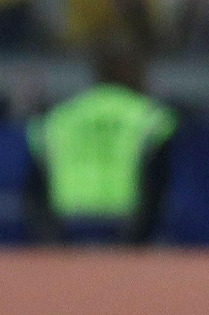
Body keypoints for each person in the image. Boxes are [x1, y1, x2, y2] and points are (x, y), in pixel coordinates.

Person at [25, 41, 177, 245]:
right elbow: (159, 185)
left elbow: (34, 191)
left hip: (65, 233)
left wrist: (49, 240)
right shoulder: (150, 119)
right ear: (132, 71)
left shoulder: (57, 119)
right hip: (127, 233)